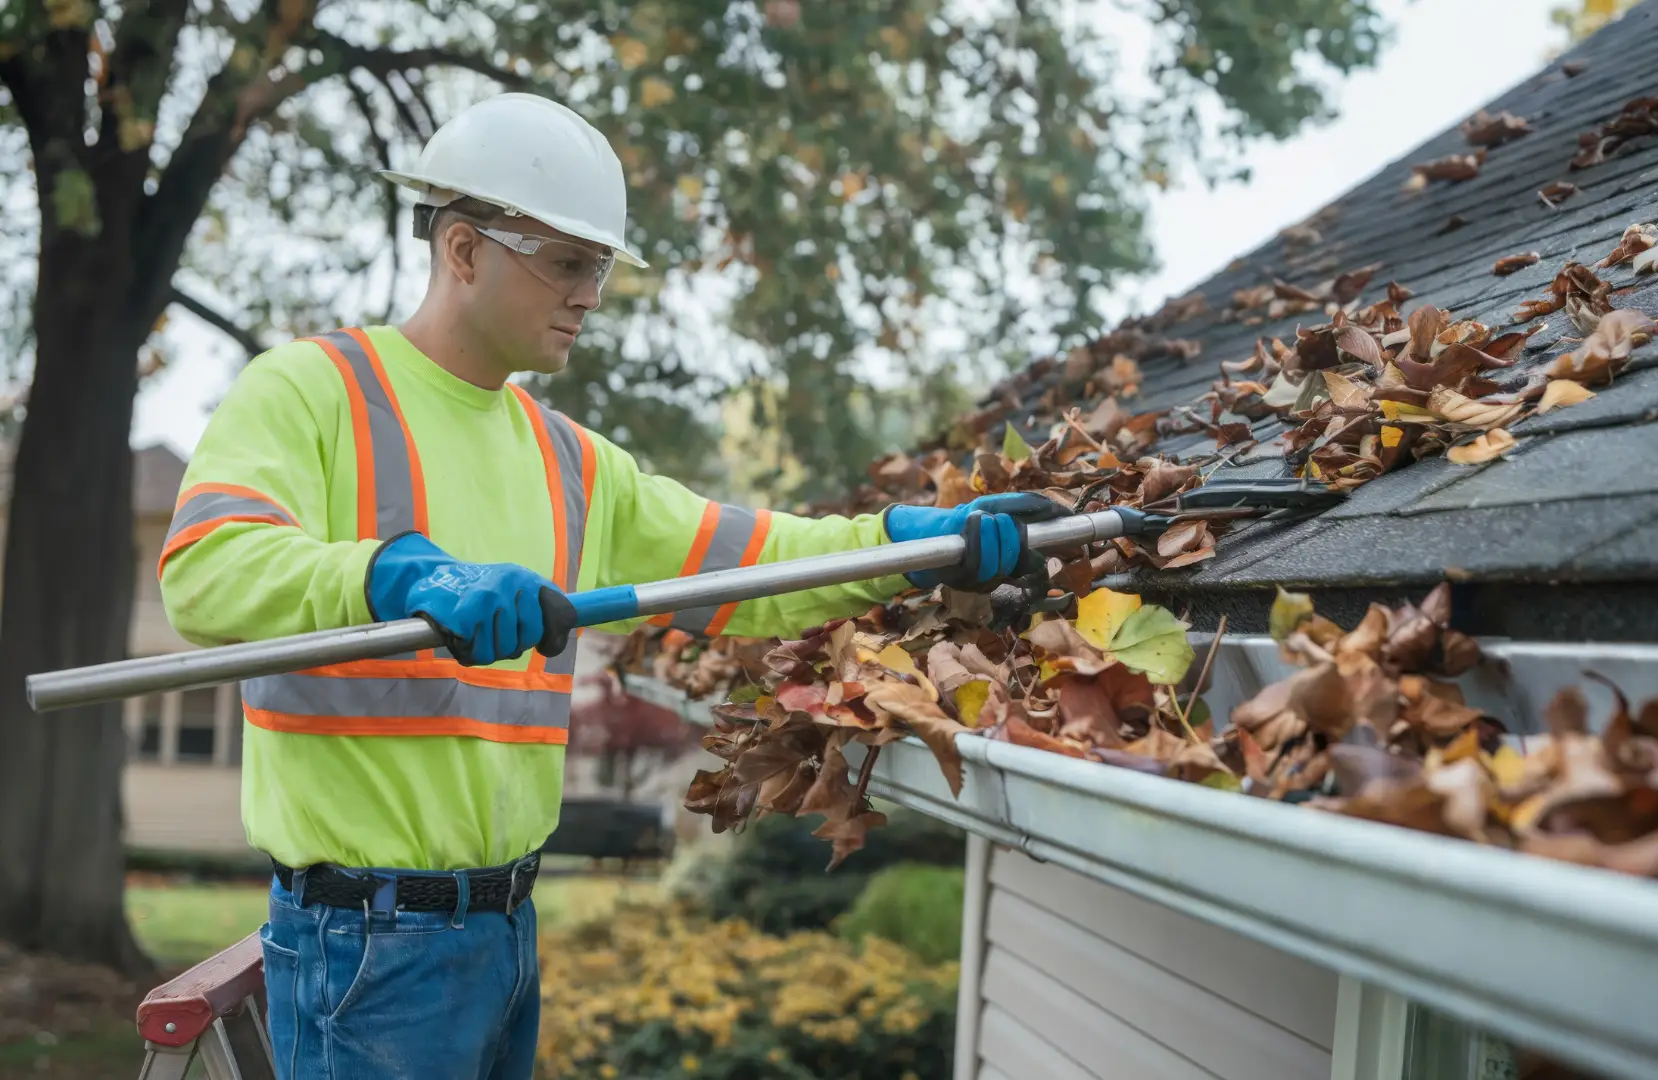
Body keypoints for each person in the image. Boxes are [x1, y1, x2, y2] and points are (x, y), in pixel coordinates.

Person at [156, 91, 1053, 1080]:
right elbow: (206, 567)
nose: (590, 294)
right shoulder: (311, 391)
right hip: (366, 944)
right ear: (463, 251)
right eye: (569, 264)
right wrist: (393, 572)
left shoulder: (566, 458)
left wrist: (903, 544)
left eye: (599, 270)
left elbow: (744, 558)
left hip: (503, 934)